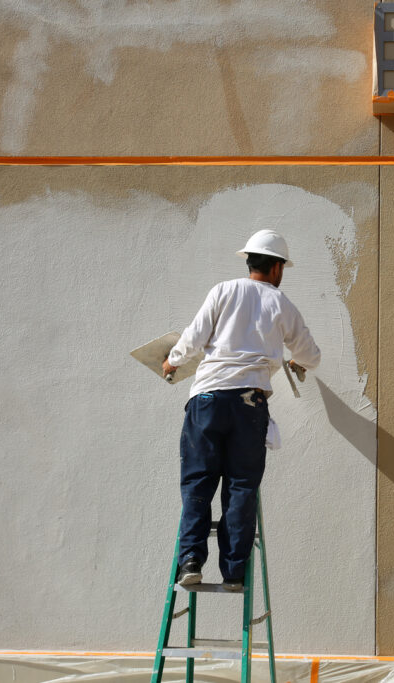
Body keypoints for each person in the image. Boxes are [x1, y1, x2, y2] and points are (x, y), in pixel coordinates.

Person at [162, 229, 321, 590]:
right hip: (250, 405)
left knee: (198, 483)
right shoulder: (283, 305)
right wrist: (295, 360)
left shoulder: (223, 290)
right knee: (241, 487)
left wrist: (172, 363)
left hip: (208, 400)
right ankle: (234, 573)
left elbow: (194, 337)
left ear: (250, 261)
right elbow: (312, 356)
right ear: (277, 267)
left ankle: (190, 561)